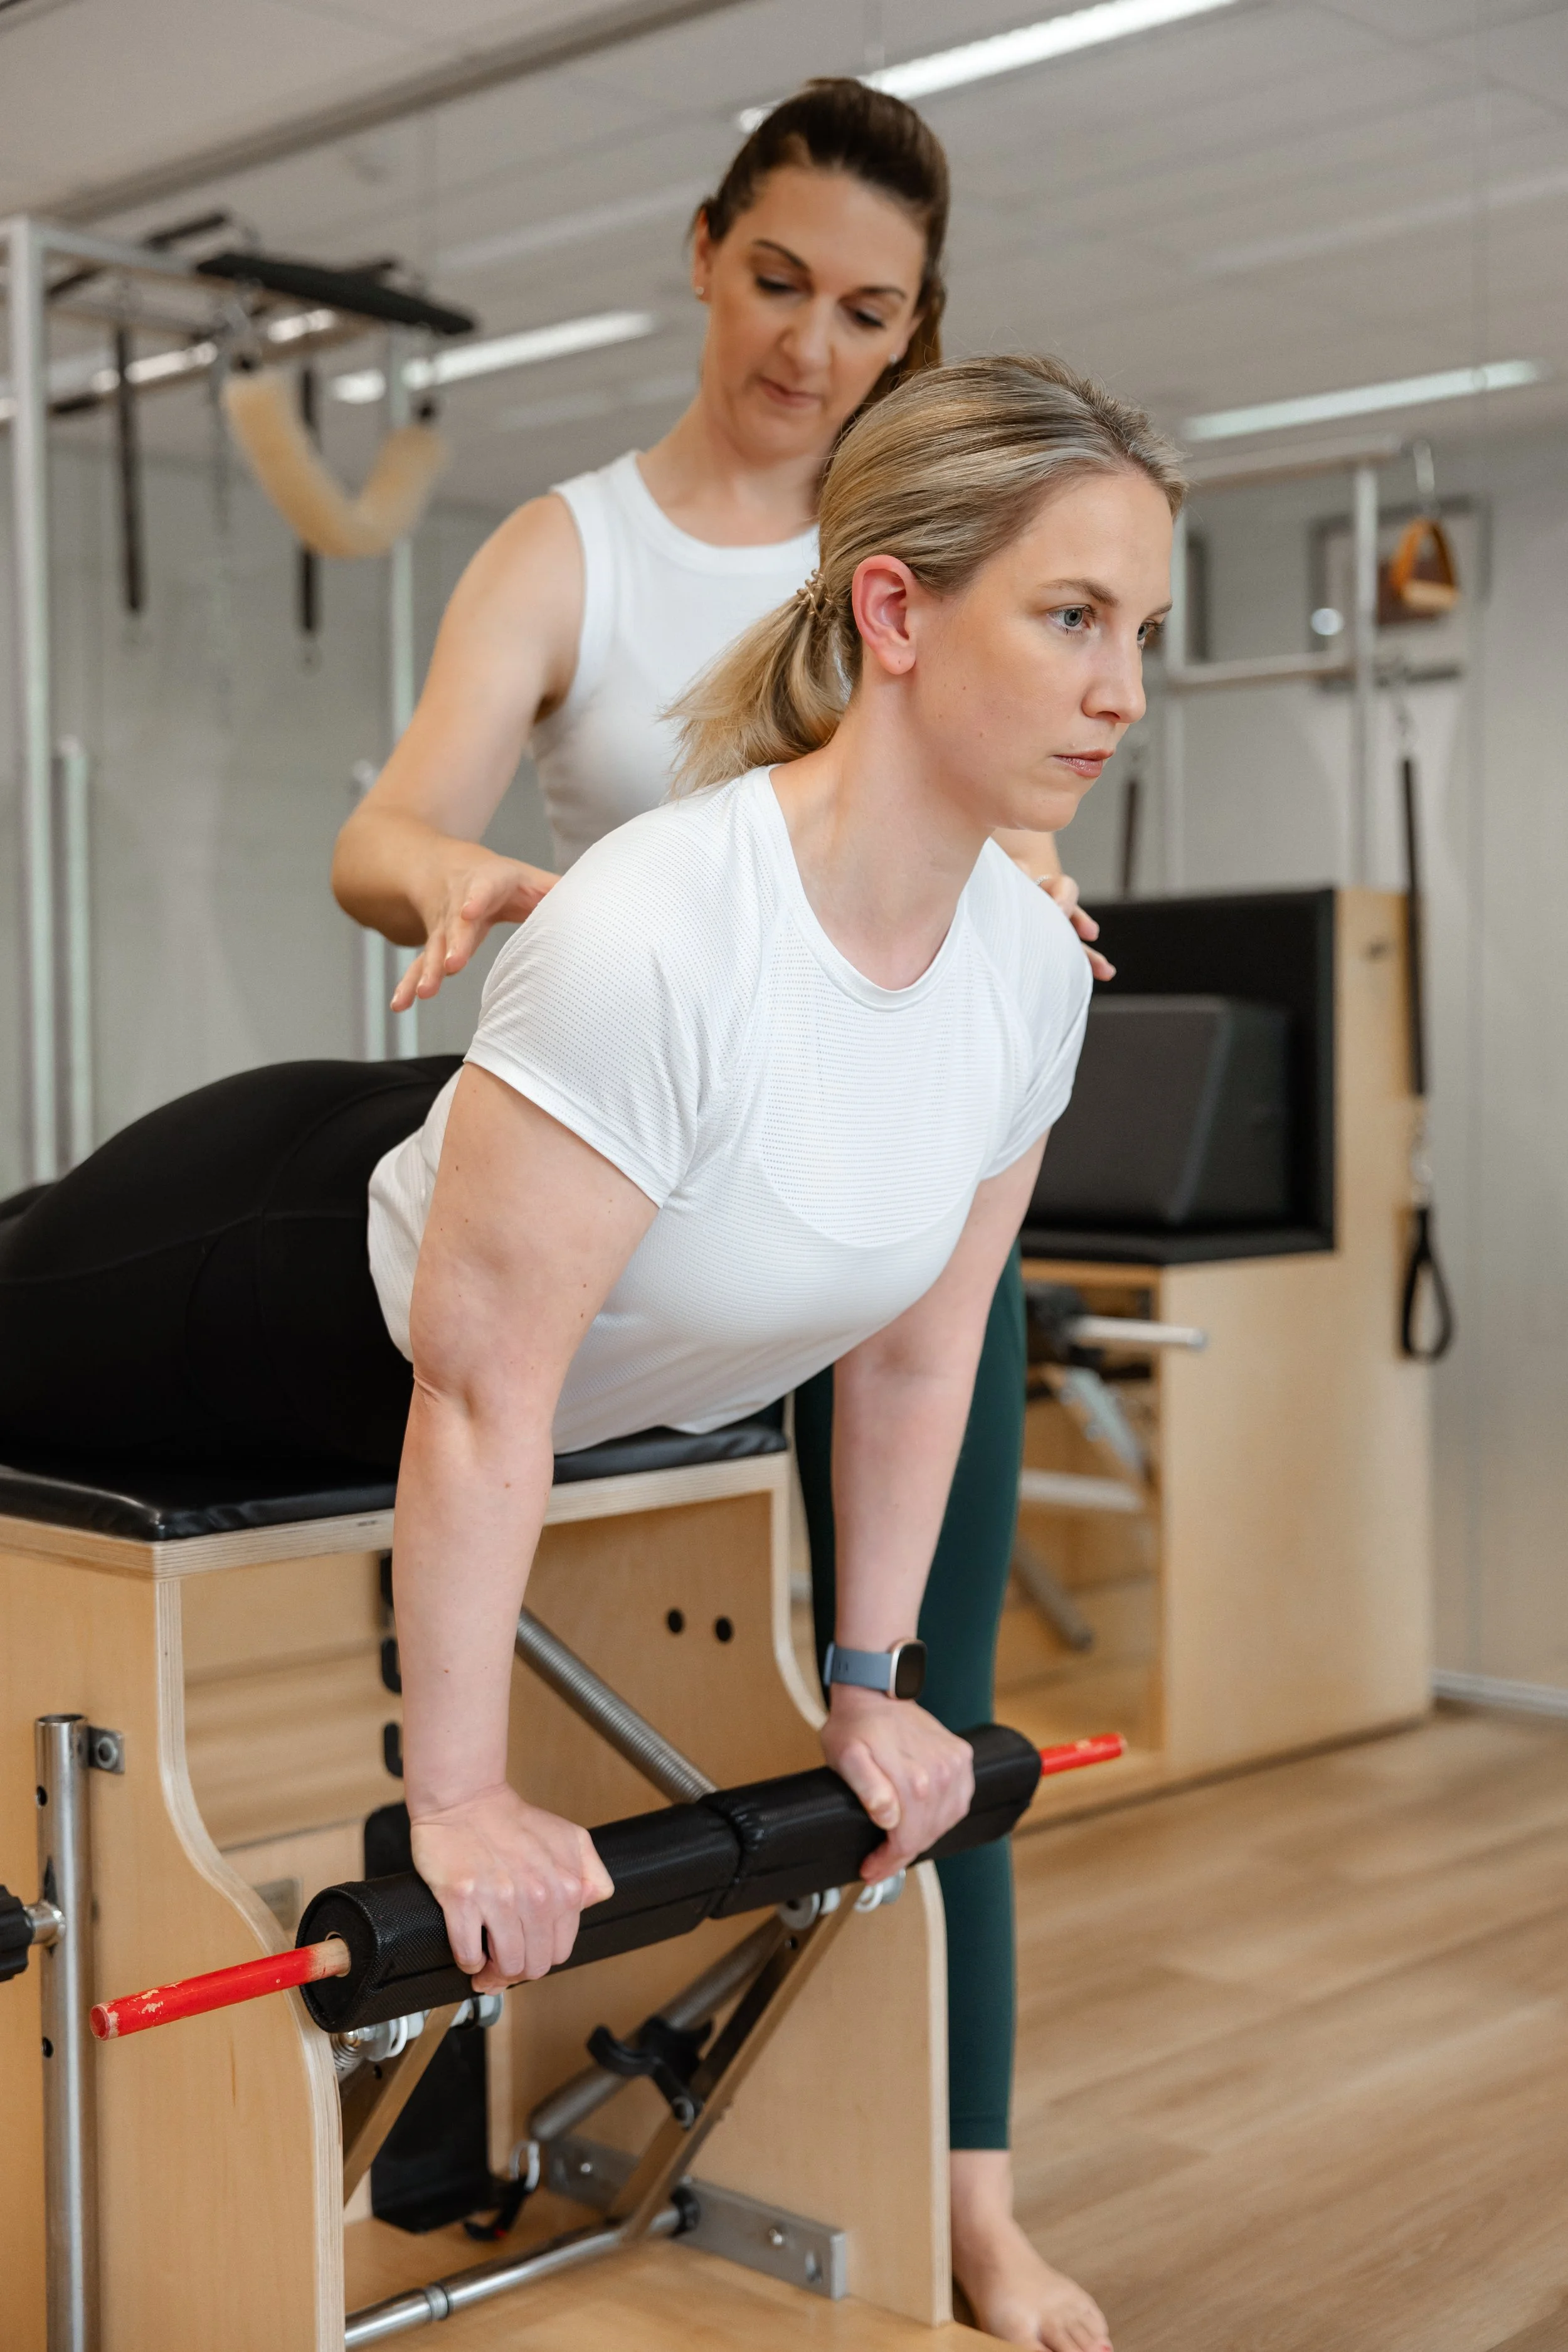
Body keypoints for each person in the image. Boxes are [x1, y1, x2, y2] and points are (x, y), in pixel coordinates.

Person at [0, 351, 1177, 2352]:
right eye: (1071, 617)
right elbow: (476, 1396)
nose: (1121, 689)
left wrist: (872, 1682)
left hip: (477, 1318)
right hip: (268, 1275)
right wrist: (455, 1799)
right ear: (893, 610)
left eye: (1144, 631)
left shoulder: (1020, 978)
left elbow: (919, 1351)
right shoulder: (667, 930)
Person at [330, 83, 1118, 2352]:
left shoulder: (950, 551)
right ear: (703, 252)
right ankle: (498, 2083)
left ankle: (964, 2192)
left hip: (876, 1215)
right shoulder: (574, 550)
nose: (809, 342)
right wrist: (461, 877)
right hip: (635, 1184)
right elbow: (392, 823)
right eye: (778, 280)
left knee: (924, 1716)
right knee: (539, 1664)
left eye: (870, 309)